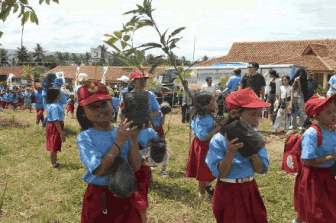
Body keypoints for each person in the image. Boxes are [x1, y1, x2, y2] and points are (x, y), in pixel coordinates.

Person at [76, 82, 142, 222]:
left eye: (104, 104)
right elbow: (99, 170)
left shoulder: (122, 131)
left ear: (111, 105)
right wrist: (119, 141)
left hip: (125, 193)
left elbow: (135, 167)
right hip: (101, 197)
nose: (100, 109)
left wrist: (134, 140)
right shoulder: (85, 137)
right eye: (93, 106)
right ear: (84, 113)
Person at [205, 88, 270, 223]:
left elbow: (261, 169)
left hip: (250, 189)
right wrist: (230, 152)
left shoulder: (256, 137)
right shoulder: (218, 140)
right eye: (253, 114)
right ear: (234, 113)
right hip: (228, 192)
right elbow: (221, 173)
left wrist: (253, 150)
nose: (257, 120)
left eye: (258, 115)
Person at [294, 94, 336, 223]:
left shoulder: (333, 130)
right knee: (315, 211)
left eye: (334, 110)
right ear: (316, 116)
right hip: (313, 178)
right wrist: (331, 157)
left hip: (328, 175)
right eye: (329, 112)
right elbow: (307, 161)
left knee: (324, 208)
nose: (334, 114)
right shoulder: (312, 134)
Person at [185, 93, 220, 201]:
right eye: (213, 101)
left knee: (211, 166)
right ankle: (202, 194)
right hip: (203, 146)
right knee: (202, 169)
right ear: (206, 105)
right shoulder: (200, 118)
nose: (216, 103)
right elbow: (202, 137)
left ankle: (208, 184)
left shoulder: (209, 115)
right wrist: (217, 128)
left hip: (210, 145)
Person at [45, 87, 66, 168]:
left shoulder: (55, 104)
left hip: (56, 125)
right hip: (55, 126)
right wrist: (61, 133)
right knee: (53, 144)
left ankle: (55, 161)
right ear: (57, 96)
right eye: (60, 93)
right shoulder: (54, 106)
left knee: (55, 143)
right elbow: (56, 120)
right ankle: (53, 164)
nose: (61, 95)